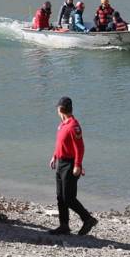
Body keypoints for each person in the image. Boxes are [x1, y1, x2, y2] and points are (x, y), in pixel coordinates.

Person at [48, 96, 97, 236]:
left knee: (69, 197)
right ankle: (64, 225)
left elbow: (80, 148)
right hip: (60, 163)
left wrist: (77, 165)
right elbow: (61, 144)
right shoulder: (63, 125)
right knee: (60, 196)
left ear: (60, 109)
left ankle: (88, 219)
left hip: (70, 165)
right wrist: (55, 156)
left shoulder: (73, 126)